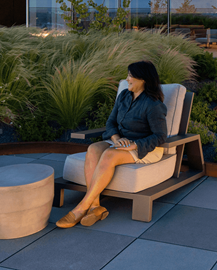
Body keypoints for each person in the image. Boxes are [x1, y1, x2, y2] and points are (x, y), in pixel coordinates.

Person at [56, 60, 168, 228]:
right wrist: (116, 139)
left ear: (142, 79)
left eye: (130, 76)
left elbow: (160, 136)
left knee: (109, 154)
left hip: (145, 147)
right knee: (93, 148)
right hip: (120, 142)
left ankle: (81, 207)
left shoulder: (153, 105)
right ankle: (95, 207)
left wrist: (134, 145)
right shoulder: (124, 95)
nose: (127, 79)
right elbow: (111, 123)